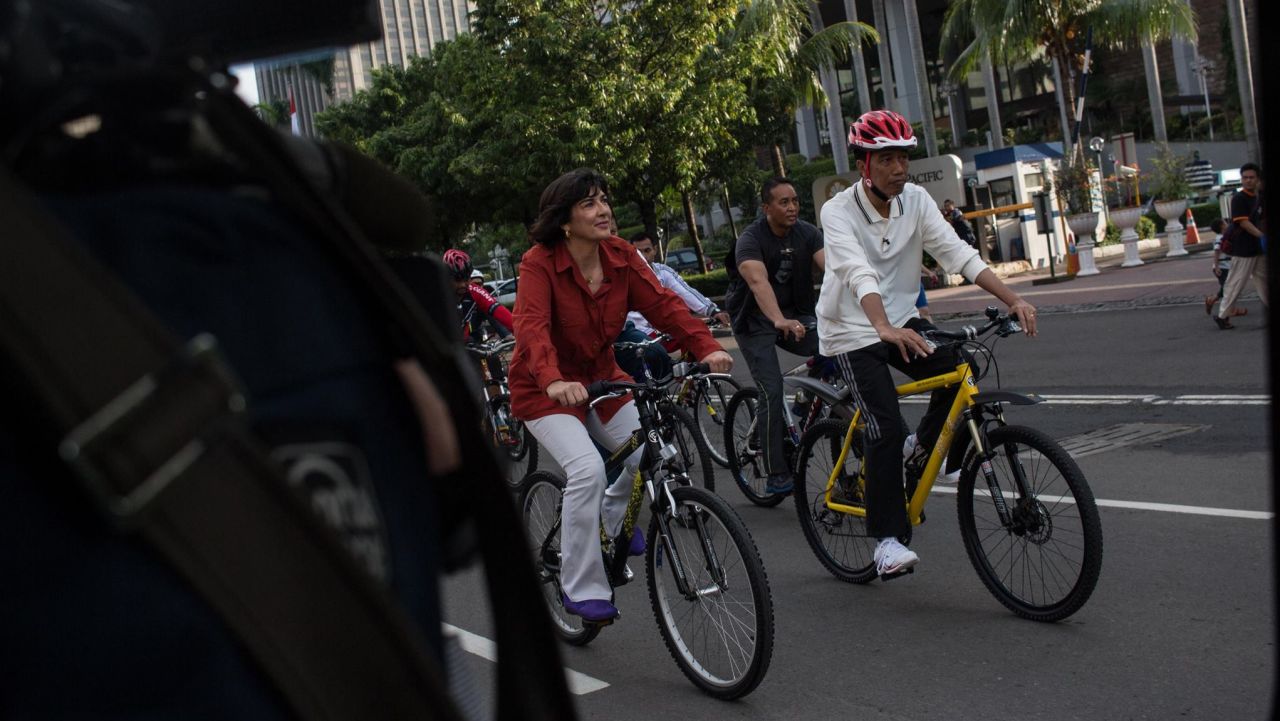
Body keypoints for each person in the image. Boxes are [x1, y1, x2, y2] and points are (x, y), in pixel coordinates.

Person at [817, 109, 1038, 577]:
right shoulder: (837, 211)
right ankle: (887, 541)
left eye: (904, 158)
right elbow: (856, 270)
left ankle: (932, 449)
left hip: (900, 320)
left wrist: (1013, 297)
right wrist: (881, 326)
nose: (899, 168)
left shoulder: (915, 200)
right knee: (884, 428)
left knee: (962, 368)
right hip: (852, 330)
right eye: (887, 159)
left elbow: (958, 253)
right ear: (864, 165)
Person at [508, 168, 732, 623]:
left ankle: (612, 523)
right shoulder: (539, 262)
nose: (604, 210)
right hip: (545, 388)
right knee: (587, 468)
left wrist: (706, 346)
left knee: (652, 454)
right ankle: (581, 585)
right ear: (565, 220)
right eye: (589, 203)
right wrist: (552, 379)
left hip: (602, 378)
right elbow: (531, 327)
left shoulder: (621, 255)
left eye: (604, 200)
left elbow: (664, 305)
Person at [724, 177, 825, 494]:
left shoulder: (808, 233)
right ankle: (776, 472)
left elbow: (835, 270)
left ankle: (803, 405)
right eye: (784, 202)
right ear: (766, 208)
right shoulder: (751, 239)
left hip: (796, 315)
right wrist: (778, 319)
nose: (792, 207)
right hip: (754, 322)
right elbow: (758, 283)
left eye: (795, 200)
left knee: (835, 350)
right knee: (771, 389)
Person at [614, 231, 732, 382]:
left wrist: (712, 310)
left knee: (692, 337)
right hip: (639, 335)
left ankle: (689, 382)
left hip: (662, 330)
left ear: (655, 250)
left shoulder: (663, 272)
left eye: (647, 250)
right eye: (639, 252)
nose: (643, 255)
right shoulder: (623, 274)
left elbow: (685, 293)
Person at [1215, 163, 1268, 329]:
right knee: (1235, 282)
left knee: (1264, 281)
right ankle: (1222, 316)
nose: (1248, 181)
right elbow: (1243, 223)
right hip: (1243, 249)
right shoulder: (1239, 199)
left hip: (1258, 249)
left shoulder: (1258, 197)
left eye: (1252, 177)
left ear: (1258, 179)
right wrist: (1261, 235)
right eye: (1245, 178)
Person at [443, 247, 514, 340]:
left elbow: (498, 310)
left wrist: (523, 332)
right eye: (457, 279)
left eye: (466, 279)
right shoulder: (437, 292)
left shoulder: (474, 290)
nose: (463, 284)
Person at [1205, 218, 1246, 319]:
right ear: (1222, 226)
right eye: (1225, 222)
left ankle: (1212, 299)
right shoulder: (1219, 238)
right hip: (1222, 268)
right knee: (1228, 288)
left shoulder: (1225, 236)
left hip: (1227, 266)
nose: (1227, 223)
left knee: (1229, 287)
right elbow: (1216, 252)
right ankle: (1230, 310)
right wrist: (1217, 266)